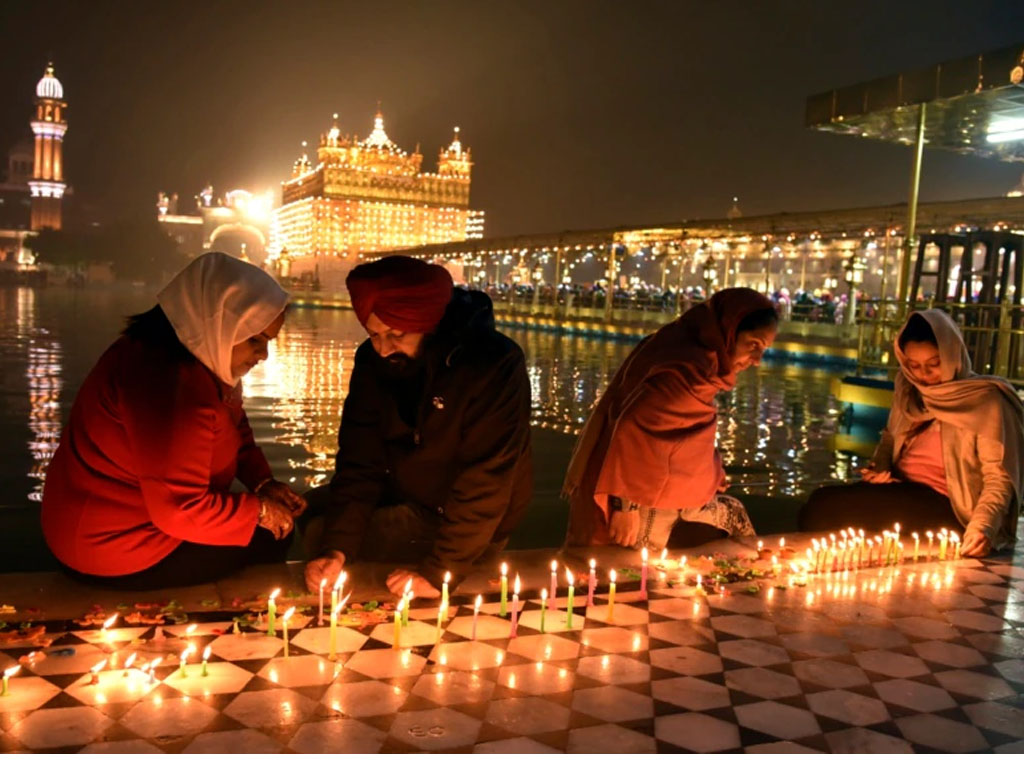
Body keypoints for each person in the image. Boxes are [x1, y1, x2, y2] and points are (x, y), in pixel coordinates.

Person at [41, 252, 306, 590]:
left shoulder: (193, 359)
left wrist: (263, 484)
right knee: (274, 536)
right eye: (255, 340)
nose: (263, 355)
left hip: (102, 529)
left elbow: (233, 426)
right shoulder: (174, 390)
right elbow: (180, 511)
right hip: (114, 549)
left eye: (268, 341)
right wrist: (261, 512)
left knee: (264, 523)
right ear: (217, 324)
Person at [302, 255, 532, 598]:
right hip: (405, 489)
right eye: (373, 334)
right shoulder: (372, 360)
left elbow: (486, 479)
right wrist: (336, 549)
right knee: (310, 513)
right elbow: (359, 459)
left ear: (428, 322)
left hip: (461, 519)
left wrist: (440, 573)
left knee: (318, 529)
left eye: (395, 334)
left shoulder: (492, 364)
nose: (382, 349)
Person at [563, 288, 778, 550]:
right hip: (632, 499)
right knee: (628, 577)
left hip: (643, 489)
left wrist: (711, 471)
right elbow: (630, 429)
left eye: (763, 349)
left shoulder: (686, 353)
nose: (756, 360)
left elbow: (680, 436)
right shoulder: (685, 370)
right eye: (753, 345)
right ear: (729, 331)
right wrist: (624, 507)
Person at [799, 309, 1023, 557]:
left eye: (934, 364)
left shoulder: (985, 401)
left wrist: (983, 529)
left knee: (824, 507)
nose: (923, 375)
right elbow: (890, 437)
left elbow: (999, 477)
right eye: (913, 365)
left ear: (952, 355)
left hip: (951, 508)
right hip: (901, 491)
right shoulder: (909, 389)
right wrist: (878, 469)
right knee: (822, 501)